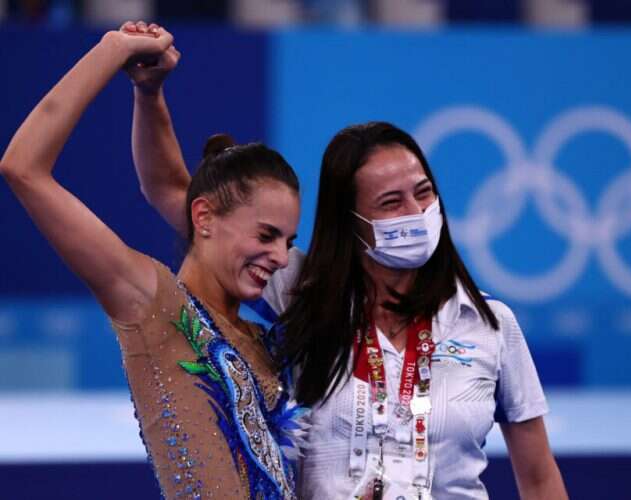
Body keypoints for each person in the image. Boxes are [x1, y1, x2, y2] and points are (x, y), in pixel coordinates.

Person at [129, 48, 567, 499]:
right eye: (391, 203)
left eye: (423, 194)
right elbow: (170, 190)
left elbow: (537, 477)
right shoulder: (308, 294)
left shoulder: (491, 324)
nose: (416, 214)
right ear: (352, 222)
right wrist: (149, 91)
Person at [0, 24, 305, 500]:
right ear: (203, 217)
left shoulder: (264, 340)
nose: (282, 257)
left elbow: (165, 182)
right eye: (266, 235)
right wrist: (112, 49)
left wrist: (150, 90)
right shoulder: (154, 302)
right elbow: (23, 168)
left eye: (288, 240)